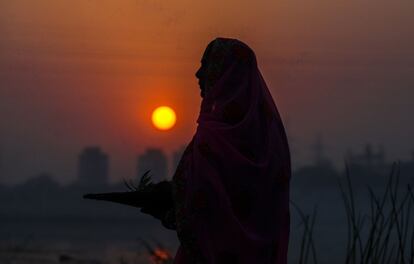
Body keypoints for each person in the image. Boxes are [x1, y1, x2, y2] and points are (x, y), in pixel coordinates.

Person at [85, 37, 291, 264]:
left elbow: (199, 207)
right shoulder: (271, 145)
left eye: (206, 65)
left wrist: (165, 200)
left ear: (226, 76)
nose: (198, 74)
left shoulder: (214, 140)